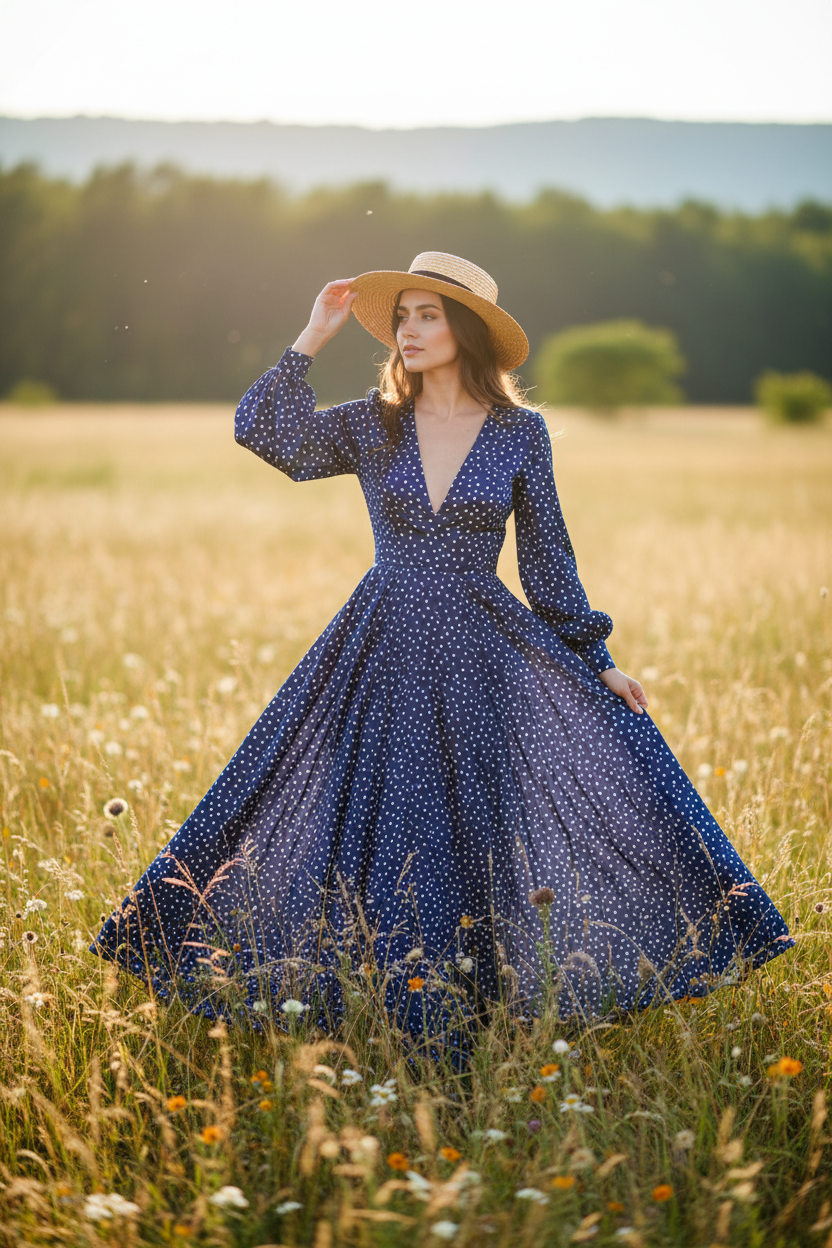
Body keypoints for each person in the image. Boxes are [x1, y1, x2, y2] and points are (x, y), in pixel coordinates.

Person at [92, 251, 793, 1041]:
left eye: (429, 315)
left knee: (475, 829)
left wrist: (598, 662)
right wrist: (311, 336)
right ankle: (378, 1004)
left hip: (481, 651)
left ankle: (478, 1012)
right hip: (379, 643)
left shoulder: (519, 435)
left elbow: (547, 562)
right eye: (402, 317)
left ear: (466, 331)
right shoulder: (370, 422)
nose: (410, 330)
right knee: (364, 819)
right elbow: (264, 433)